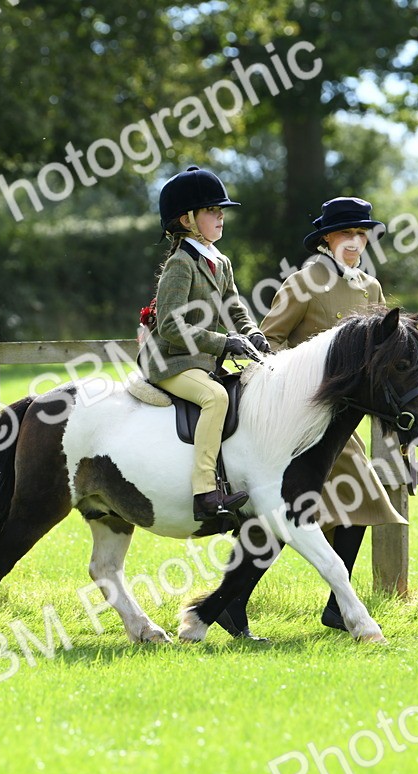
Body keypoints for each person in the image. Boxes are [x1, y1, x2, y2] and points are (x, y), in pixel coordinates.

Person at [216, 196, 407, 636]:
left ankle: (337, 608)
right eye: (347, 234)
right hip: (300, 421)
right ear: (326, 238)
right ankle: (233, 603)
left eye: (362, 234)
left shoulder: (371, 288)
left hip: (343, 423)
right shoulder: (304, 281)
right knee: (287, 515)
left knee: (360, 501)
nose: (356, 241)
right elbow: (269, 340)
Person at [137, 166, 271, 521]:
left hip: (200, 362)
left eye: (220, 210)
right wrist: (224, 343)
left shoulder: (219, 261)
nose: (221, 216)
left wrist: (252, 332)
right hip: (170, 362)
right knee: (216, 397)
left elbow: (234, 306)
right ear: (187, 219)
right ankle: (205, 492)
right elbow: (168, 325)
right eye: (212, 210)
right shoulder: (180, 265)